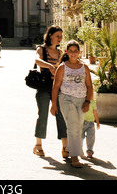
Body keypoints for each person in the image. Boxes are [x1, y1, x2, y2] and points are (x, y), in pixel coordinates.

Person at [50, 40, 94, 168]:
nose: (74, 54)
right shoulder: (62, 67)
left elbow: (89, 86)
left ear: (79, 52)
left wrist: (88, 101)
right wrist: (54, 104)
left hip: (81, 100)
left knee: (79, 127)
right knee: (73, 126)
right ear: (67, 52)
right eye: (71, 51)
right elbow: (56, 86)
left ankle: (74, 151)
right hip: (66, 99)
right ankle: (74, 156)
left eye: (76, 51)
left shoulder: (84, 67)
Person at [33, 26, 68, 158]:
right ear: (50, 35)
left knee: (61, 116)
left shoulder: (60, 53)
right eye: (57, 36)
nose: (60, 39)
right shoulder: (41, 49)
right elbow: (37, 60)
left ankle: (65, 147)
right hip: (44, 87)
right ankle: (38, 145)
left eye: (61, 36)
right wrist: (50, 66)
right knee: (42, 115)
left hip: (58, 88)